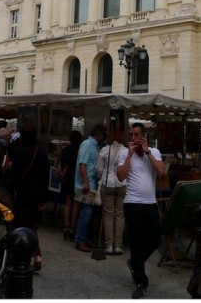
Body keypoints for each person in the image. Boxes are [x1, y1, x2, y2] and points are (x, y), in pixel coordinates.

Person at [116, 123, 165, 299]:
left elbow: (161, 171)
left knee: (155, 239)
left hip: (150, 202)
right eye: (131, 135)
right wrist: (129, 155)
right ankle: (140, 281)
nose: (133, 139)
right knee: (136, 242)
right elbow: (120, 176)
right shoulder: (124, 153)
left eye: (136, 135)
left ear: (144, 137)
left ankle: (135, 264)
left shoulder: (154, 151)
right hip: (132, 203)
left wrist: (147, 152)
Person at [7, 128, 50, 271]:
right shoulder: (42, 152)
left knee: (22, 223)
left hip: (22, 193)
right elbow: (46, 176)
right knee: (31, 223)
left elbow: (13, 175)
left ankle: (28, 254)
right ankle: (34, 254)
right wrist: (44, 196)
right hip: (37, 194)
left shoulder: (18, 153)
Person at [74, 124, 107, 252]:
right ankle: (80, 240)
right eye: (104, 136)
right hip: (86, 185)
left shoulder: (94, 146)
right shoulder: (88, 144)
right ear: (99, 134)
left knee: (88, 214)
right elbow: (82, 164)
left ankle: (84, 239)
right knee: (86, 214)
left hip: (91, 184)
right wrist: (86, 182)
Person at [96, 126, 128, 255]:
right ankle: (118, 245)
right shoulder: (126, 151)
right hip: (122, 183)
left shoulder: (104, 150)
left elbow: (98, 169)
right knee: (120, 214)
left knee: (108, 214)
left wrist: (103, 175)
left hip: (107, 183)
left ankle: (109, 245)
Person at [57, 130, 83, 242]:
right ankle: (73, 228)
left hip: (67, 179)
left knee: (68, 203)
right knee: (76, 205)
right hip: (77, 179)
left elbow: (61, 164)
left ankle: (66, 227)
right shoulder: (81, 150)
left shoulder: (66, 150)